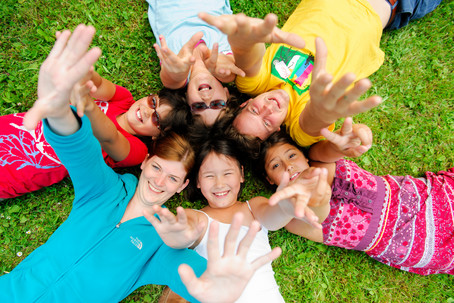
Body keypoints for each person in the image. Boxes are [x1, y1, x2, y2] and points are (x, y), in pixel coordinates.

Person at [0, 24, 283, 302]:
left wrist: (218, 290)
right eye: (158, 168)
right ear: (146, 162)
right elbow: (79, 149)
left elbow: (198, 281)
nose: (160, 182)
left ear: (183, 185)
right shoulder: (104, 189)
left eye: (173, 179)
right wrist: (59, 107)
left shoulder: (163, 241)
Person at [199, 0, 442, 147]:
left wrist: (244, 43)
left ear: (246, 103)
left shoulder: (257, 83)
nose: (268, 108)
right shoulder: (299, 124)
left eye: (255, 110)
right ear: (275, 132)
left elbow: (249, 59)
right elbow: (313, 122)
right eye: (266, 122)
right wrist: (322, 112)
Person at [145, 128, 325, 302]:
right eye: (209, 176)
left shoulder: (252, 207)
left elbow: (272, 217)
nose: (219, 183)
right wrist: (176, 235)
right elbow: (187, 230)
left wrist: (285, 207)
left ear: (241, 174)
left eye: (228, 173)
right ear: (198, 181)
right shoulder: (199, 217)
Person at [257, 118, 454, 276]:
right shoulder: (293, 215)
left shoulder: (320, 160)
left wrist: (353, 135)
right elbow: (317, 214)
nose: (288, 166)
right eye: (275, 165)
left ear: (304, 156)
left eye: (292, 156)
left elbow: (335, 147)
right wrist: (318, 199)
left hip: (428, 198)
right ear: (270, 179)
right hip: (416, 243)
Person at [0, 54, 192, 199]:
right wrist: (84, 71)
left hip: (21, 168)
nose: (148, 111)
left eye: (157, 120)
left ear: (158, 136)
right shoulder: (124, 99)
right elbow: (99, 84)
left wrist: (87, 104)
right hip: (16, 127)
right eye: (152, 102)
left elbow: (110, 137)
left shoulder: (137, 150)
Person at [145, 0, 246, 126]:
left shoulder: (179, 77)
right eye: (217, 104)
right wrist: (224, 64)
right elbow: (229, 69)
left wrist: (176, 72)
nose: (206, 98)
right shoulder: (222, 67)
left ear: (187, 100)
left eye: (198, 106)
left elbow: (170, 78)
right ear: (226, 94)